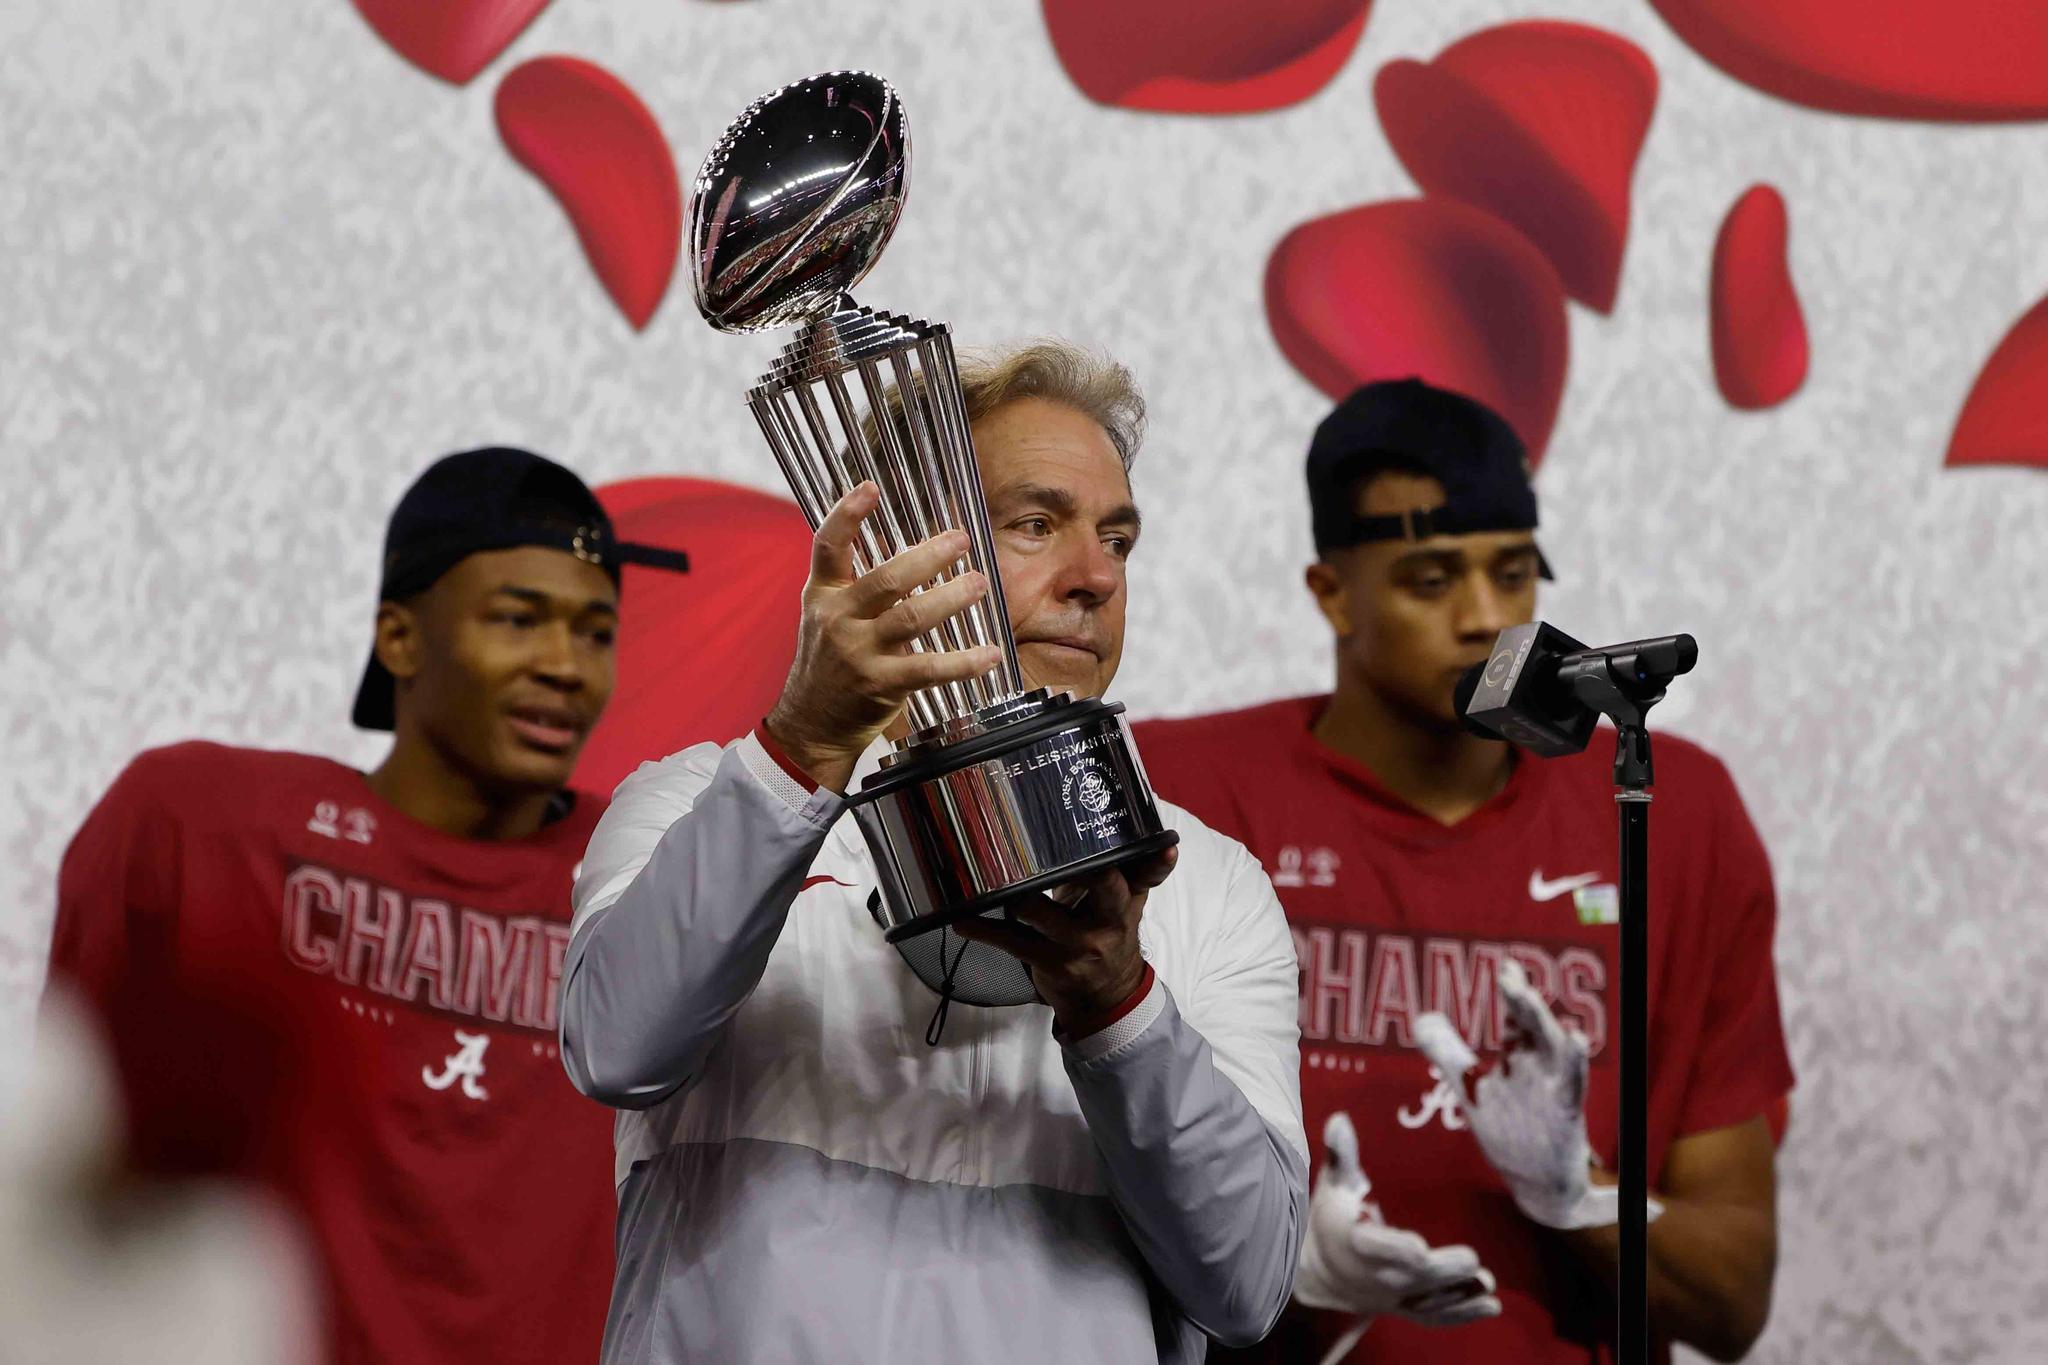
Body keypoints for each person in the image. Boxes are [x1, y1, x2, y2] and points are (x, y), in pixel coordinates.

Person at [560, 343, 1309, 1365]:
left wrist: (1115, 1001)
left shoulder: (1206, 887)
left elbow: (1248, 1283)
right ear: (899, 553)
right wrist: (802, 749)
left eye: (1118, 540)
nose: (1093, 578)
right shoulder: (699, 800)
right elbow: (617, 1049)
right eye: (1034, 524)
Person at [1132, 378, 1794, 1364]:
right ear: (1330, 592)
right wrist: (1288, 1268)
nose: (1486, 618)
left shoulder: (1671, 812)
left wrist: (1575, 1193)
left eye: (1514, 573)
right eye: (1431, 579)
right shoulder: (1184, 787)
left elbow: (1731, 1300)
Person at [45, 446, 688, 1364]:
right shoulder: (199, 827)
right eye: (519, 618)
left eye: (596, 631)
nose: (566, 665)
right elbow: (70, 1162)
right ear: (399, 638)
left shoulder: (652, 868)